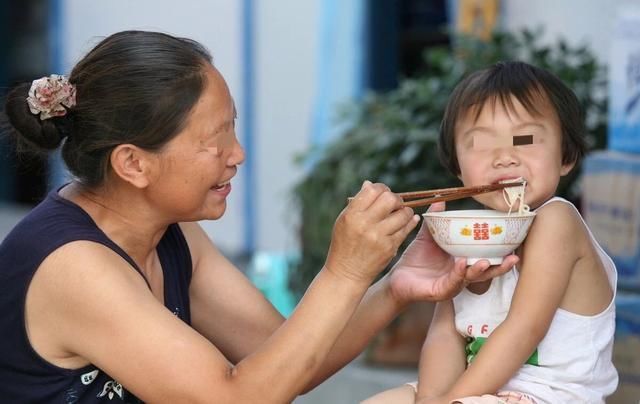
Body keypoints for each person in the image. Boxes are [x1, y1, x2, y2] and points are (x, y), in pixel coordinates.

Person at [0, 30, 517, 403]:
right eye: (214, 139)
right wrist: (343, 272)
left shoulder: (169, 232)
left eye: (234, 128)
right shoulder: (75, 267)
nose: (237, 153)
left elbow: (284, 360)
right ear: (133, 163)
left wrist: (397, 285)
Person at [363, 61, 618, 404]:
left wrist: (452, 400)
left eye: (525, 139)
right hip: (474, 391)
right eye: (481, 144)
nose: (504, 157)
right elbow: (445, 335)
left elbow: (524, 329)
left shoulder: (557, 221)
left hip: (548, 396)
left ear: (566, 156)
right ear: (457, 166)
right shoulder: (466, 232)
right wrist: (432, 399)